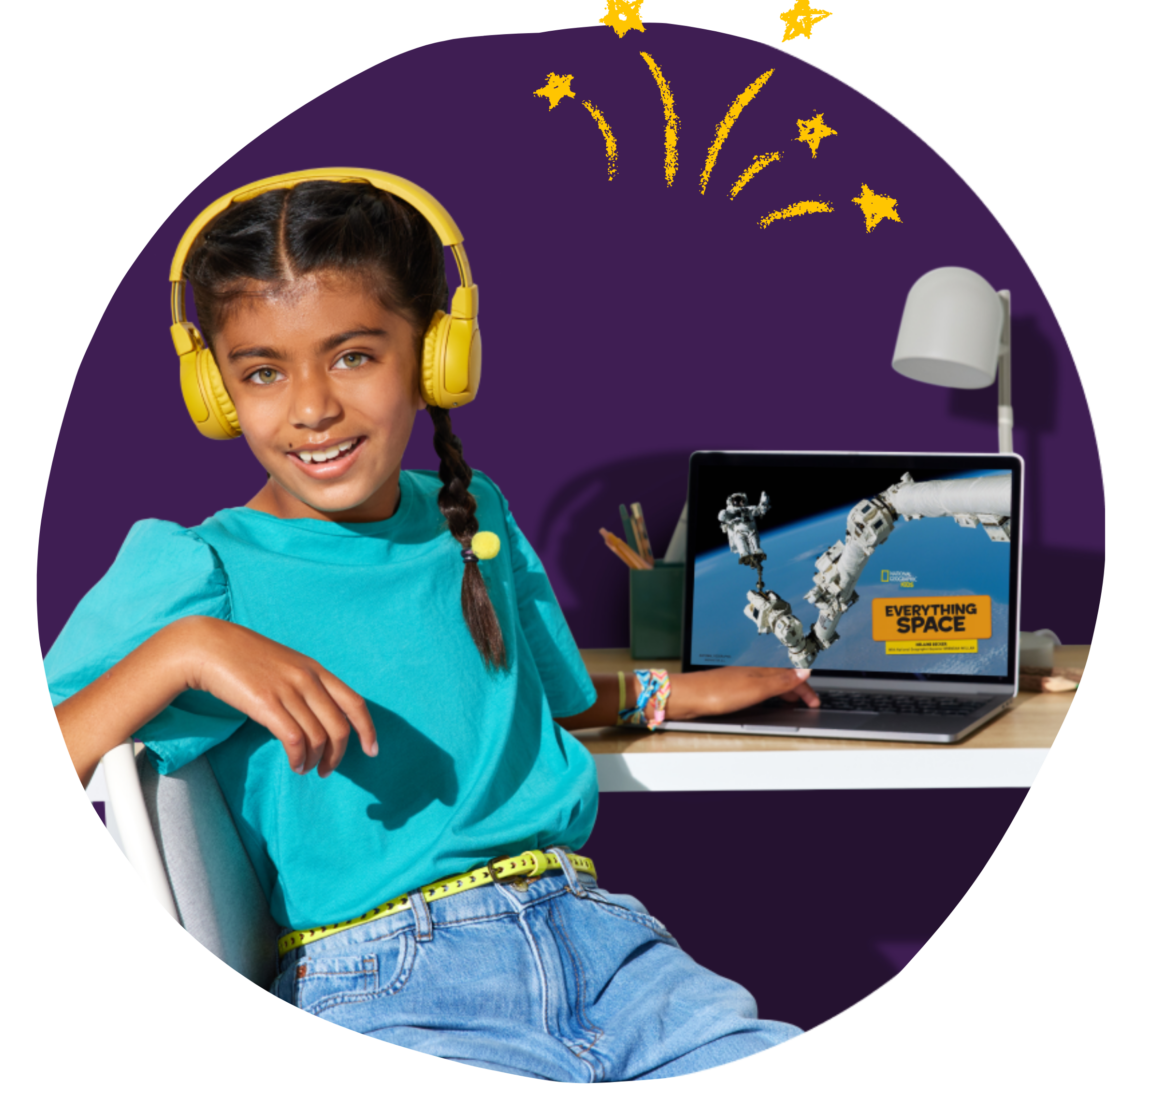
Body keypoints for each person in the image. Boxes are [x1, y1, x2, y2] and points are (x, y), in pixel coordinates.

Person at [46, 169, 820, 1080]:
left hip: (606, 948)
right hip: (388, 982)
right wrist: (186, 649)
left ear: (436, 356)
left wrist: (679, 692)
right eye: (262, 371)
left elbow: (548, 704)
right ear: (215, 391)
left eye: (352, 356)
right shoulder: (200, 571)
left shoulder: (473, 516)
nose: (311, 408)